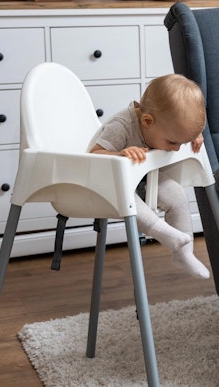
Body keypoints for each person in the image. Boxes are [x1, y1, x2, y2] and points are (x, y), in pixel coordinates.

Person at [90, 73, 210, 279]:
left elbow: (178, 132)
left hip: (145, 177)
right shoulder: (121, 126)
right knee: (129, 200)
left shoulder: (162, 125)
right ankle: (163, 233)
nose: (176, 149)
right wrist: (120, 153)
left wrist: (191, 136)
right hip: (106, 185)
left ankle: (184, 253)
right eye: (173, 142)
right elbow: (94, 155)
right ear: (147, 121)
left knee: (177, 196)